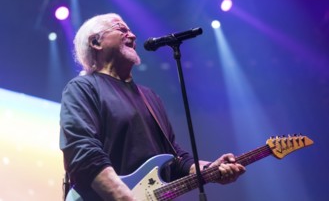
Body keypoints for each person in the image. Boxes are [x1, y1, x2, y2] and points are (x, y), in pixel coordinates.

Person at [59, 13, 246, 201]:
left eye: (131, 31)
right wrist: (123, 196)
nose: (132, 36)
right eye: (121, 29)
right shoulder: (83, 88)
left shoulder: (149, 97)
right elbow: (82, 151)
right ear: (96, 43)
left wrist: (209, 169)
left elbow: (175, 159)